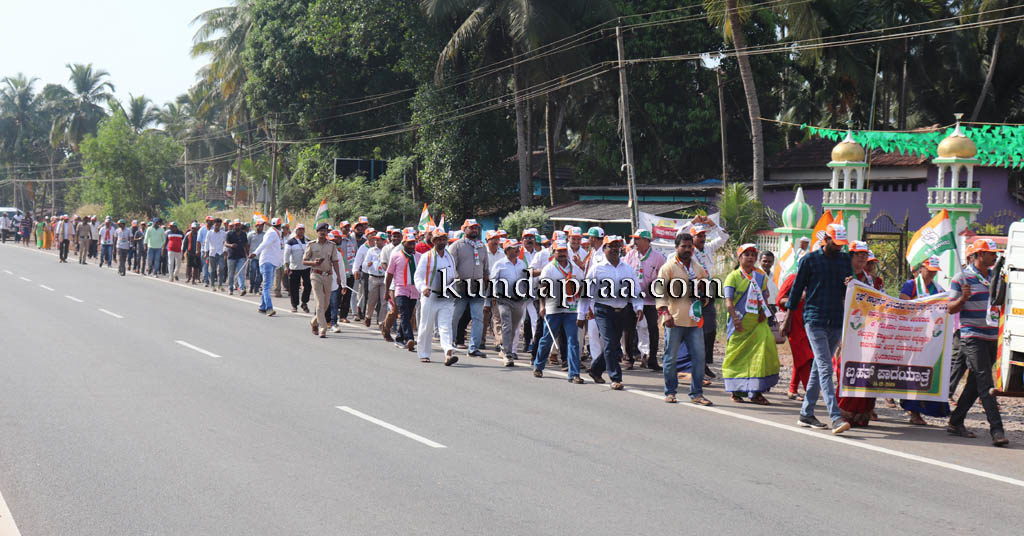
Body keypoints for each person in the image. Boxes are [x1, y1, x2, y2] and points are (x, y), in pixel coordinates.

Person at [782, 223, 853, 435]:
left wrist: (850, 283)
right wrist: (787, 318)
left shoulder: (844, 261)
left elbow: (848, 288)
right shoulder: (810, 260)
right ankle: (835, 417)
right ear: (826, 240)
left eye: (842, 244)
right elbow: (795, 291)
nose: (839, 247)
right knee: (825, 367)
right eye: (836, 243)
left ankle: (806, 413)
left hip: (836, 320)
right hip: (814, 320)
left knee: (818, 368)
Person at [947, 238, 1008, 447]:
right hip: (972, 336)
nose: (994, 257)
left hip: (992, 337)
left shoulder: (995, 277)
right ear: (979, 255)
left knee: (975, 383)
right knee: (985, 382)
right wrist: (963, 299)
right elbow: (950, 308)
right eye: (990, 253)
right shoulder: (961, 278)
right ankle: (997, 429)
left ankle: (955, 422)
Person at [656, 232, 713, 405]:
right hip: (674, 319)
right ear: (676, 248)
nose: (687, 249)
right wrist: (665, 314)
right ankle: (670, 392)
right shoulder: (668, 268)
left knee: (699, 357)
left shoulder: (698, 268)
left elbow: (706, 289)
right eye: (684, 246)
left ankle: (696, 393)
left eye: (690, 247)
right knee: (671, 357)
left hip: (694, 320)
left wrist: (704, 298)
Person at [580, 235, 642, 390]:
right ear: (604, 249)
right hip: (603, 310)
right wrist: (582, 314)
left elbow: (635, 289)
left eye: (617, 246)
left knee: (613, 345)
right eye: (610, 246)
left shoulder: (627, 268)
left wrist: (638, 307)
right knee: (609, 342)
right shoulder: (597, 268)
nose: (614, 249)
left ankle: (595, 370)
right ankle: (615, 377)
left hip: (622, 310)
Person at [722, 243, 780, 405]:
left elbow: (764, 297)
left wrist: (763, 313)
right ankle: (736, 391)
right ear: (739, 258)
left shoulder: (760, 277)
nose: (750, 258)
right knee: (737, 357)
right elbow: (728, 301)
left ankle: (756, 392)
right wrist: (735, 319)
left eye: (753, 255)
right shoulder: (733, 277)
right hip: (739, 324)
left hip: (757, 324)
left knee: (761, 355)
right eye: (746, 254)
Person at [897, 255, 952, 425]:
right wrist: (924, 304)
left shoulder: (938, 289)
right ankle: (913, 412)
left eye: (935, 272)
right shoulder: (911, 285)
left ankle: (927, 409)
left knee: (930, 372)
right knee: (914, 372)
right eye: (929, 271)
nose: (932, 275)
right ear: (922, 268)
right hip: (913, 336)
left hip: (931, 337)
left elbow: (944, 305)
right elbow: (903, 304)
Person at [835, 240, 875, 426]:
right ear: (850, 256)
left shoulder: (868, 279)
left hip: (864, 329)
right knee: (845, 369)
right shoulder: (841, 274)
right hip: (842, 327)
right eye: (858, 254)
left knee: (864, 370)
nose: (862, 258)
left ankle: (861, 412)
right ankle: (843, 410)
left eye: (864, 255)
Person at [534, 240, 585, 381]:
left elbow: (582, 283)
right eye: (559, 251)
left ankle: (574, 374)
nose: (562, 254)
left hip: (571, 310)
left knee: (573, 341)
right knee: (547, 339)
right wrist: (542, 306)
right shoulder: (548, 269)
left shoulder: (574, 268)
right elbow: (543, 288)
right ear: (553, 253)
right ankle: (538, 365)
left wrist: (578, 297)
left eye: (564, 251)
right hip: (553, 309)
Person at [686, 219, 728, 380]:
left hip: (709, 289)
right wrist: (692, 222)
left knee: (711, 327)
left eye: (703, 235)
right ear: (692, 238)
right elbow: (679, 234)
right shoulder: (688, 251)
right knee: (697, 328)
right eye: (698, 235)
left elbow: (724, 238)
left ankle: (705, 362)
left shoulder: (709, 248)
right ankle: (697, 366)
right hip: (694, 290)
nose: (702, 238)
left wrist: (714, 226)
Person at [414, 227, 458, 365]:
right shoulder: (426, 257)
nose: (442, 242)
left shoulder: (449, 256)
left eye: (444, 239)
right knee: (426, 325)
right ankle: (424, 353)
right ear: (434, 241)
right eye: (439, 239)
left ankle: (448, 352)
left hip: (446, 296)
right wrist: (423, 288)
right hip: (430, 295)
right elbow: (418, 276)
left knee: (445, 325)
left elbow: (452, 275)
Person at [624, 229, 665, 371]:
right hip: (632, 298)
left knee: (653, 329)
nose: (635, 242)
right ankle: (629, 358)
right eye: (634, 239)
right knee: (629, 329)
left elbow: (662, 276)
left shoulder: (658, 257)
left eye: (638, 239)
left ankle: (652, 359)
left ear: (647, 241)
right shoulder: (630, 255)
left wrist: (656, 289)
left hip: (650, 300)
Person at [450, 219, 490, 357]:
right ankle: (449, 343)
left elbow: (486, 268)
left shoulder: (482, 246)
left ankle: (474, 348)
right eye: (471, 228)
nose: (474, 230)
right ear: (464, 229)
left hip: (478, 286)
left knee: (478, 318)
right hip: (461, 285)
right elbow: (450, 266)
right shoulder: (457, 246)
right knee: (455, 316)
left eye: (476, 228)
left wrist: (486, 284)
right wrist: (456, 280)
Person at [492, 238, 530, 367]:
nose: (518, 250)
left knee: (514, 328)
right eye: (515, 248)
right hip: (504, 300)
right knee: (506, 325)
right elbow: (493, 281)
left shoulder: (522, 264)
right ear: (507, 250)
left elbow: (525, 280)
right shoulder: (499, 264)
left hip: (518, 301)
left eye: (518, 248)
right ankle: (508, 354)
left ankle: (505, 347)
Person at [777, 261, 812, 401]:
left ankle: (792, 389)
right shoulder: (793, 278)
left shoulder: (815, 280)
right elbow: (780, 300)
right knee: (805, 357)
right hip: (795, 324)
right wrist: (797, 298)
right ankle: (811, 392)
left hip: (811, 324)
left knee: (802, 357)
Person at [304, 222, 343, 338]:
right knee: (320, 302)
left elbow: (335, 261)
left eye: (325, 231)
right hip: (316, 275)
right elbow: (304, 261)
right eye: (321, 230)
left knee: (326, 304)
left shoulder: (331, 245)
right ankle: (323, 328)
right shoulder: (311, 245)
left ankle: (314, 321)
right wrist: (313, 263)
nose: (323, 232)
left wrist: (339, 277)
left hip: (328, 276)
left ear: (327, 232)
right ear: (317, 231)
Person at [385, 230, 421, 350]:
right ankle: (410, 338)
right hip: (400, 289)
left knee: (409, 315)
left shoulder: (419, 257)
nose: (411, 246)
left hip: (414, 290)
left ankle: (399, 339)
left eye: (413, 243)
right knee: (404, 314)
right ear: (403, 243)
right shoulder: (396, 256)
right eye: (409, 243)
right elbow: (389, 274)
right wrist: (386, 292)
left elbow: (422, 274)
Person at [254, 217, 285, 316]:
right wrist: (255, 252)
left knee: (267, 286)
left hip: (272, 262)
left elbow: (279, 249)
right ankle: (269, 308)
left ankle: (262, 307)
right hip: (267, 261)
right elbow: (264, 244)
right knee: (267, 286)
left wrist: (281, 262)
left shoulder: (276, 233)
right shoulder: (272, 233)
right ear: (279, 226)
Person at [360, 232, 388, 327]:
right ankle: (368, 316)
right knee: (372, 299)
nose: (376, 241)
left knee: (384, 301)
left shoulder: (387, 250)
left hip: (384, 278)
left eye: (378, 240)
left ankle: (381, 321)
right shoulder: (371, 250)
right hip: (373, 277)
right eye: (375, 239)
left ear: (384, 241)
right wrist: (367, 264)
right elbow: (364, 263)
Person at [285, 223, 312, 311]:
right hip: (294, 267)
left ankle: (304, 302)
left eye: (302, 229)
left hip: (306, 267)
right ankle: (294, 305)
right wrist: (286, 266)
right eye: (299, 229)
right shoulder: (291, 241)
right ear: (296, 230)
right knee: (294, 287)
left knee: (308, 285)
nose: (301, 231)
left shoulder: (308, 240)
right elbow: (286, 254)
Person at [225, 219, 249, 294]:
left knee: (241, 272)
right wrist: (231, 245)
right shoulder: (229, 233)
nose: (237, 226)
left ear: (240, 225)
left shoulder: (244, 234)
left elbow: (246, 245)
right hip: (232, 256)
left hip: (241, 256)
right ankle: (230, 288)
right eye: (236, 225)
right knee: (231, 273)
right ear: (233, 225)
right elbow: (225, 243)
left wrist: (247, 254)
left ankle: (241, 288)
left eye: (238, 225)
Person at [247, 219, 266, 293]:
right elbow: (247, 245)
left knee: (260, 273)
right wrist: (248, 253)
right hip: (253, 257)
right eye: (259, 226)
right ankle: (251, 285)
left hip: (262, 257)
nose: (261, 227)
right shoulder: (251, 234)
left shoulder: (265, 235)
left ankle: (257, 287)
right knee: (252, 272)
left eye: (262, 226)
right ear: (256, 226)